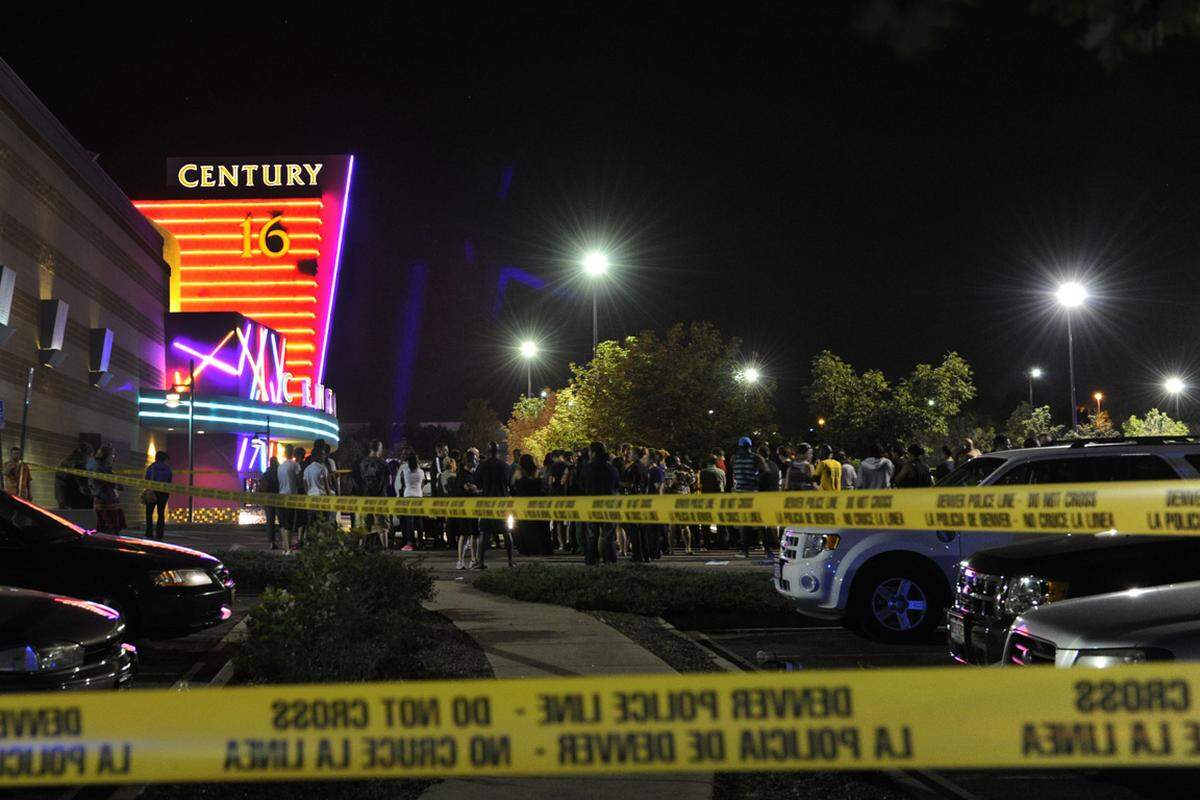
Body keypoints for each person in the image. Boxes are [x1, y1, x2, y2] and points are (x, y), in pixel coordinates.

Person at [582, 441, 620, 564]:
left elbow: (582, 485)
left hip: (591, 504)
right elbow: (616, 486)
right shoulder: (612, 469)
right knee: (608, 534)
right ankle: (609, 559)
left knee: (592, 534)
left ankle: (592, 560)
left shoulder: (587, 468)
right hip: (609, 504)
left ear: (593, 453)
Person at [475, 442, 511, 569]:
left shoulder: (482, 466)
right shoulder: (505, 466)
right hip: (502, 502)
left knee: (484, 533)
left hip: (487, 502)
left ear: (488, 452)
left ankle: (481, 562)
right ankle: (510, 561)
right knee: (506, 532)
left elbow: (477, 484)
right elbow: (509, 483)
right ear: (498, 451)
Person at [512, 453, 553, 555]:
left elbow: (513, 490)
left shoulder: (519, 478)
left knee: (524, 528)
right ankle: (543, 549)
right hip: (538, 507)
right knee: (540, 529)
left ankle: (526, 549)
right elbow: (544, 489)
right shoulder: (538, 477)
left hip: (523, 508)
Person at [731, 436, 760, 559]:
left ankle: (745, 550)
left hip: (739, 493)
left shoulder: (735, 459)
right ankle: (759, 544)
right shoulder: (755, 458)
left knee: (742, 522)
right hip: (752, 492)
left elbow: (735, 474)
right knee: (755, 520)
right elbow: (762, 471)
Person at [357, 440, 389, 548]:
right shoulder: (383, 463)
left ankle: (361, 548)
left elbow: (358, 480)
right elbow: (389, 481)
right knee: (382, 526)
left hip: (365, 498)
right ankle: (385, 550)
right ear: (379, 449)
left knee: (365, 525)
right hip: (380, 498)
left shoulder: (362, 463)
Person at [661, 455, 695, 555]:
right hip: (683, 499)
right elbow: (692, 481)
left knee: (673, 526)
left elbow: (667, 485)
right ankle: (687, 548)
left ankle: (672, 550)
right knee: (684, 526)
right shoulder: (685, 470)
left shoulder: (668, 471)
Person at [88, 444, 124, 534]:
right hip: (104, 501)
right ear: (106, 456)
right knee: (106, 526)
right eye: (112, 455)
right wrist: (114, 484)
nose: (113, 457)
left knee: (112, 526)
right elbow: (97, 484)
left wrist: (117, 485)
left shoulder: (106, 467)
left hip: (110, 500)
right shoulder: (98, 468)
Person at [395, 452, 426, 551]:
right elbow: (422, 485)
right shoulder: (421, 472)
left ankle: (410, 543)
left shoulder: (405, 471)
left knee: (409, 522)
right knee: (419, 520)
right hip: (418, 496)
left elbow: (403, 485)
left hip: (408, 496)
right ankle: (421, 542)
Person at [277, 445, 303, 551]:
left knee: (283, 524)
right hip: (291, 496)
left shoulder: (280, 466)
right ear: (292, 453)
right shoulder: (295, 465)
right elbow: (299, 481)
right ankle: (288, 550)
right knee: (289, 523)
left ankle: (285, 548)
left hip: (281, 496)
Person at [302, 443, 331, 535]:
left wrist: (309, 493)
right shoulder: (322, 468)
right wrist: (330, 498)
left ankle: (311, 544)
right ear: (318, 456)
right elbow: (326, 486)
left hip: (310, 499)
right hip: (321, 499)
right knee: (323, 523)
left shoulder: (307, 469)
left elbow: (305, 486)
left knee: (311, 524)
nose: (324, 456)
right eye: (323, 454)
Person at [55, 442, 94, 509]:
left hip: (62, 500)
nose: (89, 459)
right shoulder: (79, 464)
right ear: (86, 455)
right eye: (90, 456)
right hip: (74, 502)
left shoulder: (65, 462)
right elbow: (84, 489)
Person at [144, 451, 172, 540]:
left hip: (152, 492)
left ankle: (149, 533)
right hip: (163, 493)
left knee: (149, 513)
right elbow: (169, 481)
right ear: (164, 459)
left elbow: (146, 479)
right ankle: (159, 535)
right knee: (161, 514)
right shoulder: (167, 469)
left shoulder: (151, 467)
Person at [259, 455, 280, 548]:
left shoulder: (265, 474)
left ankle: (272, 542)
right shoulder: (279, 473)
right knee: (282, 520)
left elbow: (261, 488)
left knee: (270, 521)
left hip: (267, 500)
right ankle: (285, 541)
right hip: (279, 499)